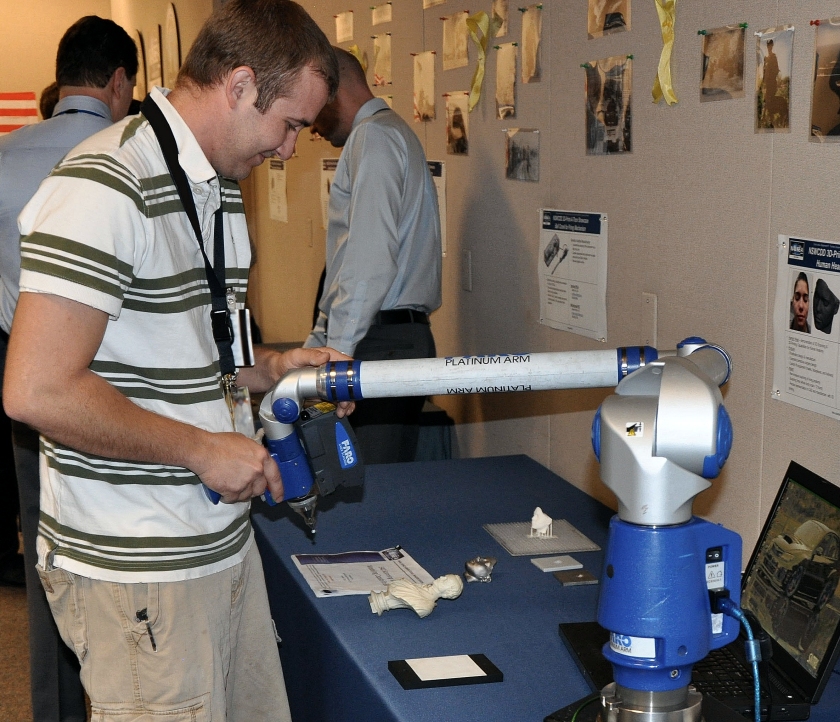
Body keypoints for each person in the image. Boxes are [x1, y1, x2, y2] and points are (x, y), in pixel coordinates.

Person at [3, 2, 342, 720]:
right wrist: (200, 450)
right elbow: (36, 390)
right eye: (289, 126)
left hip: (217, 547)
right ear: (241, 84)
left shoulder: (211, 183)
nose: (288, 152)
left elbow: (204, 346)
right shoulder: (104, 184)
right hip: (140, 573)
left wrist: (277, 368)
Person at [0, 16, 138, 722]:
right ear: (118, 82)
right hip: (119, 369)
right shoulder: (130, 154)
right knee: (127, 538)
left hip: (20, 371)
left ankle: (56, 712)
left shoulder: (5, 156)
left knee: (43, 543)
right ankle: (131, 696)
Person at [305, 47, 441, 464]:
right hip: (385, 337)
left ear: (333, 89)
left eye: (313, 107)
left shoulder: (375, 137)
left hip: (382, 342)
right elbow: (350, 262)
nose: (311, 125)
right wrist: (320, 340)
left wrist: (337, 357)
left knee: (368, 490)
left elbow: (368, 262)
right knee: (367, 484)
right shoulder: (388, 134)